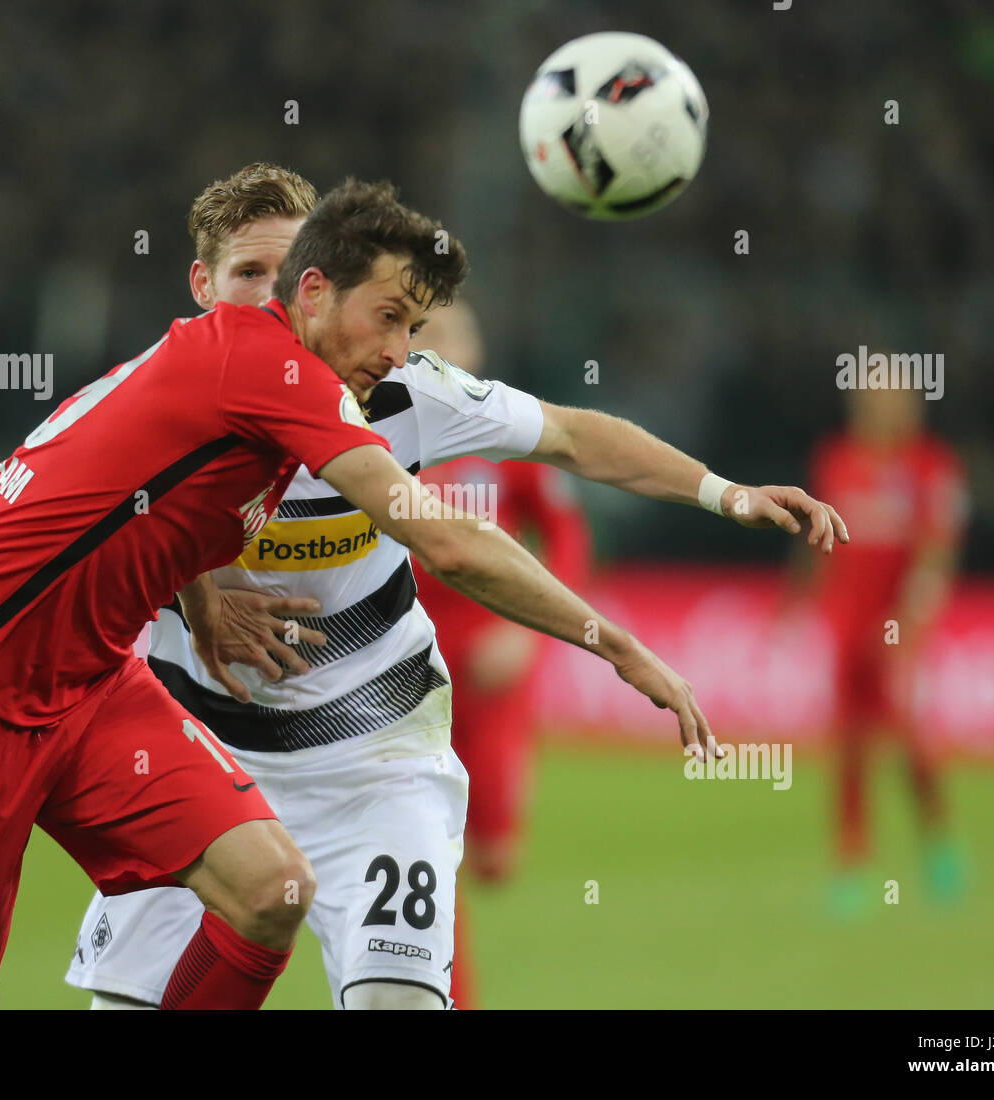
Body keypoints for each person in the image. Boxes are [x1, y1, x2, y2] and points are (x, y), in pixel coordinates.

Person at [0, 175, 734, 1011]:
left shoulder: (280, 382)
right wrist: (615, 643)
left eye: (414, 325)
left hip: (95, 686)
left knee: (271, 890)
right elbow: (447, 542)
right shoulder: (275, 372)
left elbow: (139, 501)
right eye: (388, 317)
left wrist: (197, 598)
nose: (399, 350)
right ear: (309, 292)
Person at [66, 164, 848, 1011]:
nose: (271, 294)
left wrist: (723, 492)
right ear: (201, 285)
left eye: (284, 271)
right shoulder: (158, 392)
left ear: (317, 282)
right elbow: (72, 526)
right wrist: (196, 586)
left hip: (373, 756)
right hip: (199, 754)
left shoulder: (402, 389)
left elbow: (574, 439)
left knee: (396, 1002)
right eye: (247, 275)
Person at [412, 299, 591, 1008]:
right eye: (422, 334)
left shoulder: (509, 434)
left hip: (491, 676)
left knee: (495, 863)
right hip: (406, 676)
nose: (440, 348)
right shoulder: (381, 437)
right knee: (428, 845)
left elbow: (569, 537)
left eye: (453, 332)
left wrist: (529, 630)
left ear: (477, 346)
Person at [805, 384, 967, 912]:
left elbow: (938, 550)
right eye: (872, 394)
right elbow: (818, 543)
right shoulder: (837, 460)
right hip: (848, 629)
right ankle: (851, 862)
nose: (880, 405)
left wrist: (912, 618)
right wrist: (804, 600)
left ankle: (939, 843)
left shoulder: (930, 466)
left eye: (891, 393)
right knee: (849, 748)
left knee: (912, 743)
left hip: (897, 633)